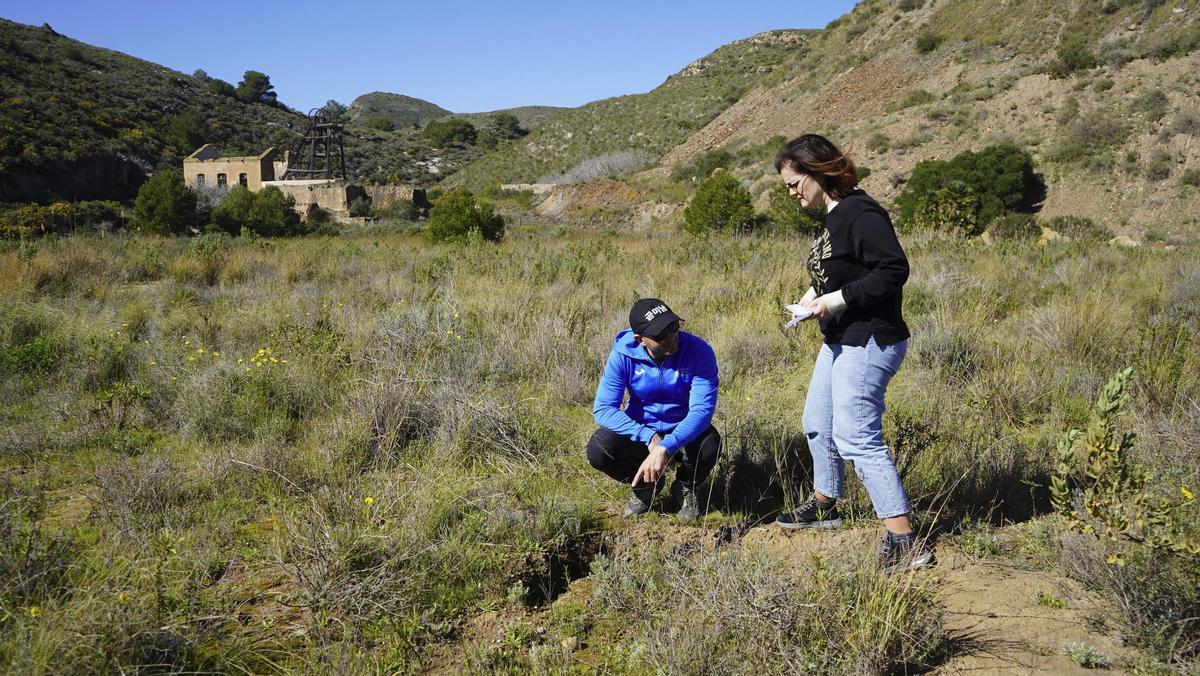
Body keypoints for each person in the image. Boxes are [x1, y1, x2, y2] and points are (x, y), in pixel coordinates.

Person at [773, 134, 933, 573]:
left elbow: (893, 270)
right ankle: (826, 504)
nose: (791, 193)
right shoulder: (833, 217)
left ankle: (905, 541)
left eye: (794, 183)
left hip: (869, 339)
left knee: (857, 437)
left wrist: (834, 302)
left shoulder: (861, 213)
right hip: (841, 337)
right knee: (817, 424)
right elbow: (833, 274)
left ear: (819, 172)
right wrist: (811, 302)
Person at [587, 298, 720, 520]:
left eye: (673, 327)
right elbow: (603, 409)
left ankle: (686, 486)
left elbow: (701, 412)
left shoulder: (698, 352)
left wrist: (667, 445)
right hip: (642, 428)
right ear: (641, 339)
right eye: (660, 335)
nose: (671, 337)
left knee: (710, 444)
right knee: (599, 449)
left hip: (683, 428)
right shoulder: (622, 355)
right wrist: (649, 437)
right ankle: (646, 487)